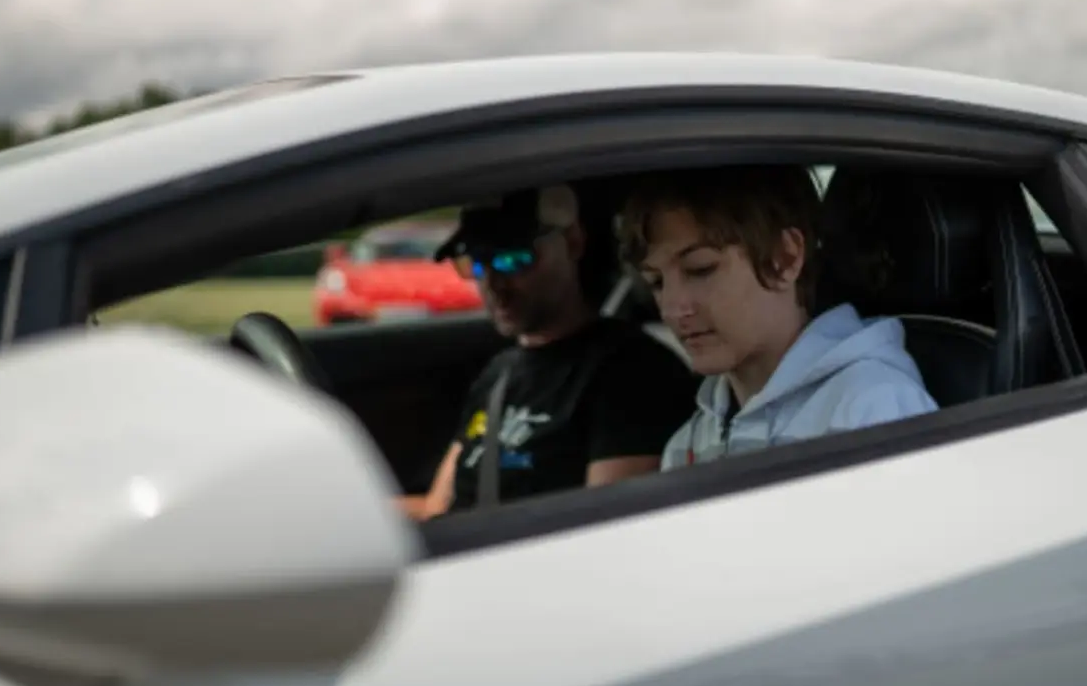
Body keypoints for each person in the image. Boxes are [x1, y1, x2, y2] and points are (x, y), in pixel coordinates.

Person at [398, 183, 698, 520]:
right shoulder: (498, 373)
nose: (494, 284)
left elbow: (605, 527)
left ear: (573, 242)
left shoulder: (633, 372)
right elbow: (435, 508)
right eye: (477, 264)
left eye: (513, 259)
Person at [617, 164, 938, 470]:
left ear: (784, 258)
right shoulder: (686, 445)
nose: (672, 309)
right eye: (656, 282)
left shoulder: (871, 408)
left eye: (700, 269)